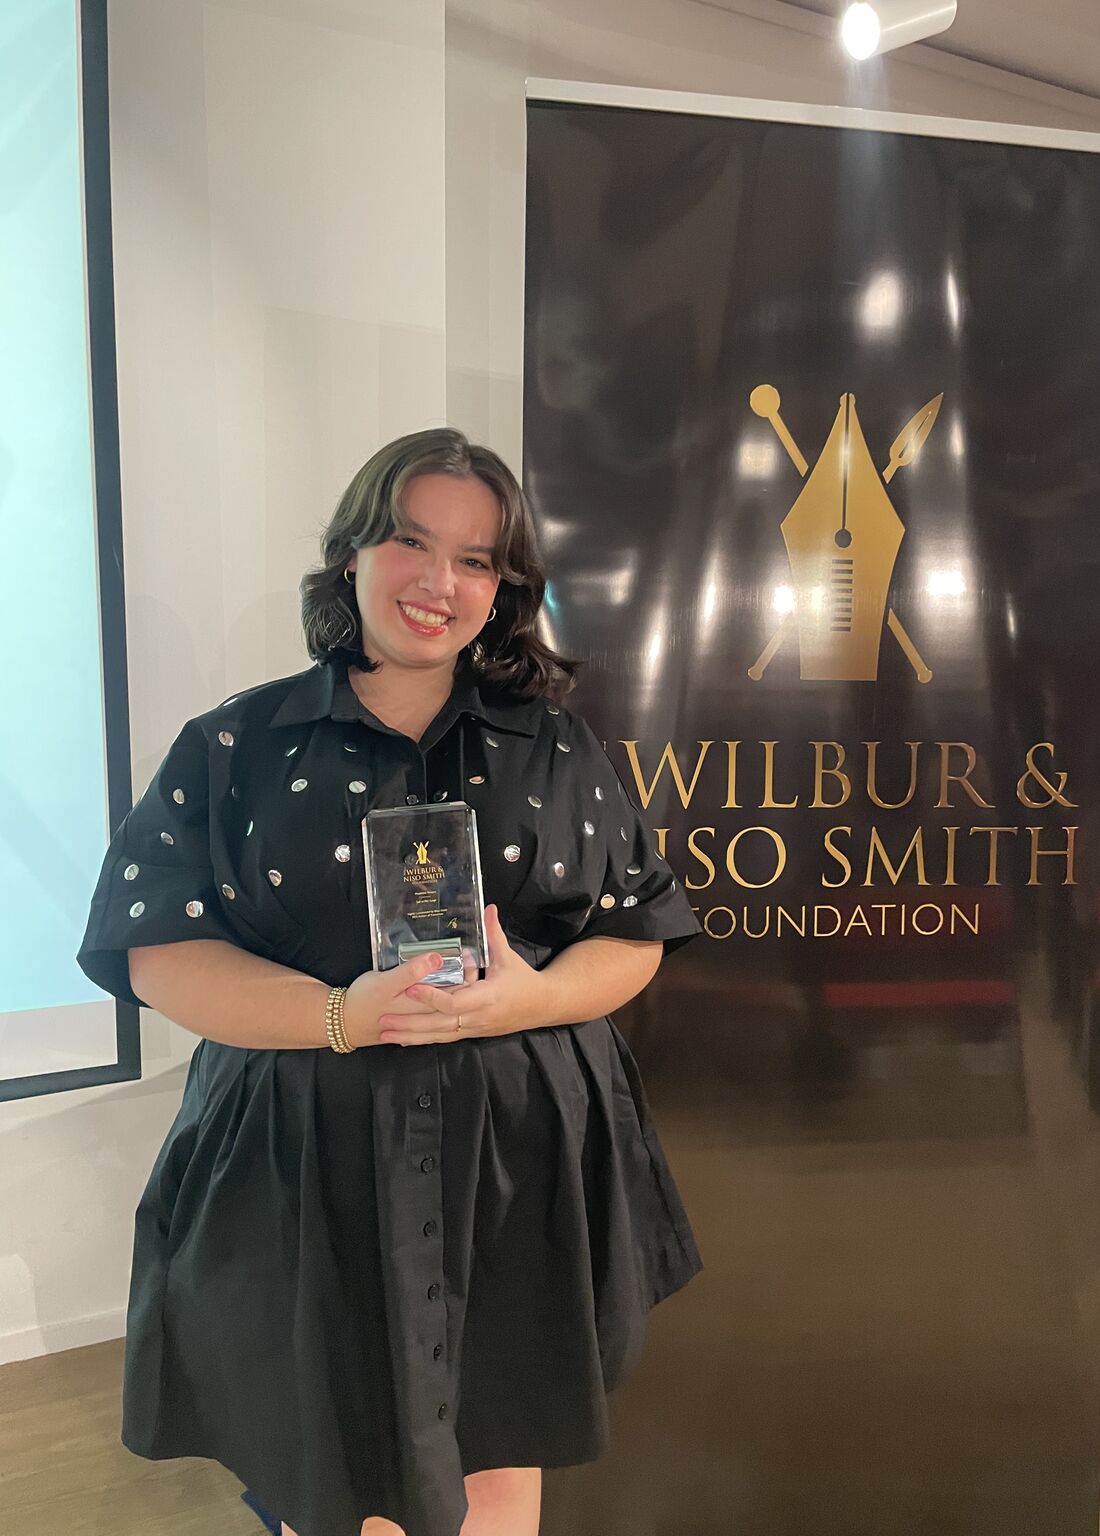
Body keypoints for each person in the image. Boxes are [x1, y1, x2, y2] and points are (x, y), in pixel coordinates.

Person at [77, 428, 702, 1536]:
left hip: (517, 1168)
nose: (439, 581)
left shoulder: (556, 746)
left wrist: (530, 998)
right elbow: (156, 950)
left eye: (475, 559)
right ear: (353, 553)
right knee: (326, 1453)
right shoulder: (234, 747)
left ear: (503, 589)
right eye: (412, 542)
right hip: (302, 1167)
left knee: (507, 1438)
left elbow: (636, 932)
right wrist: (339, 1014)